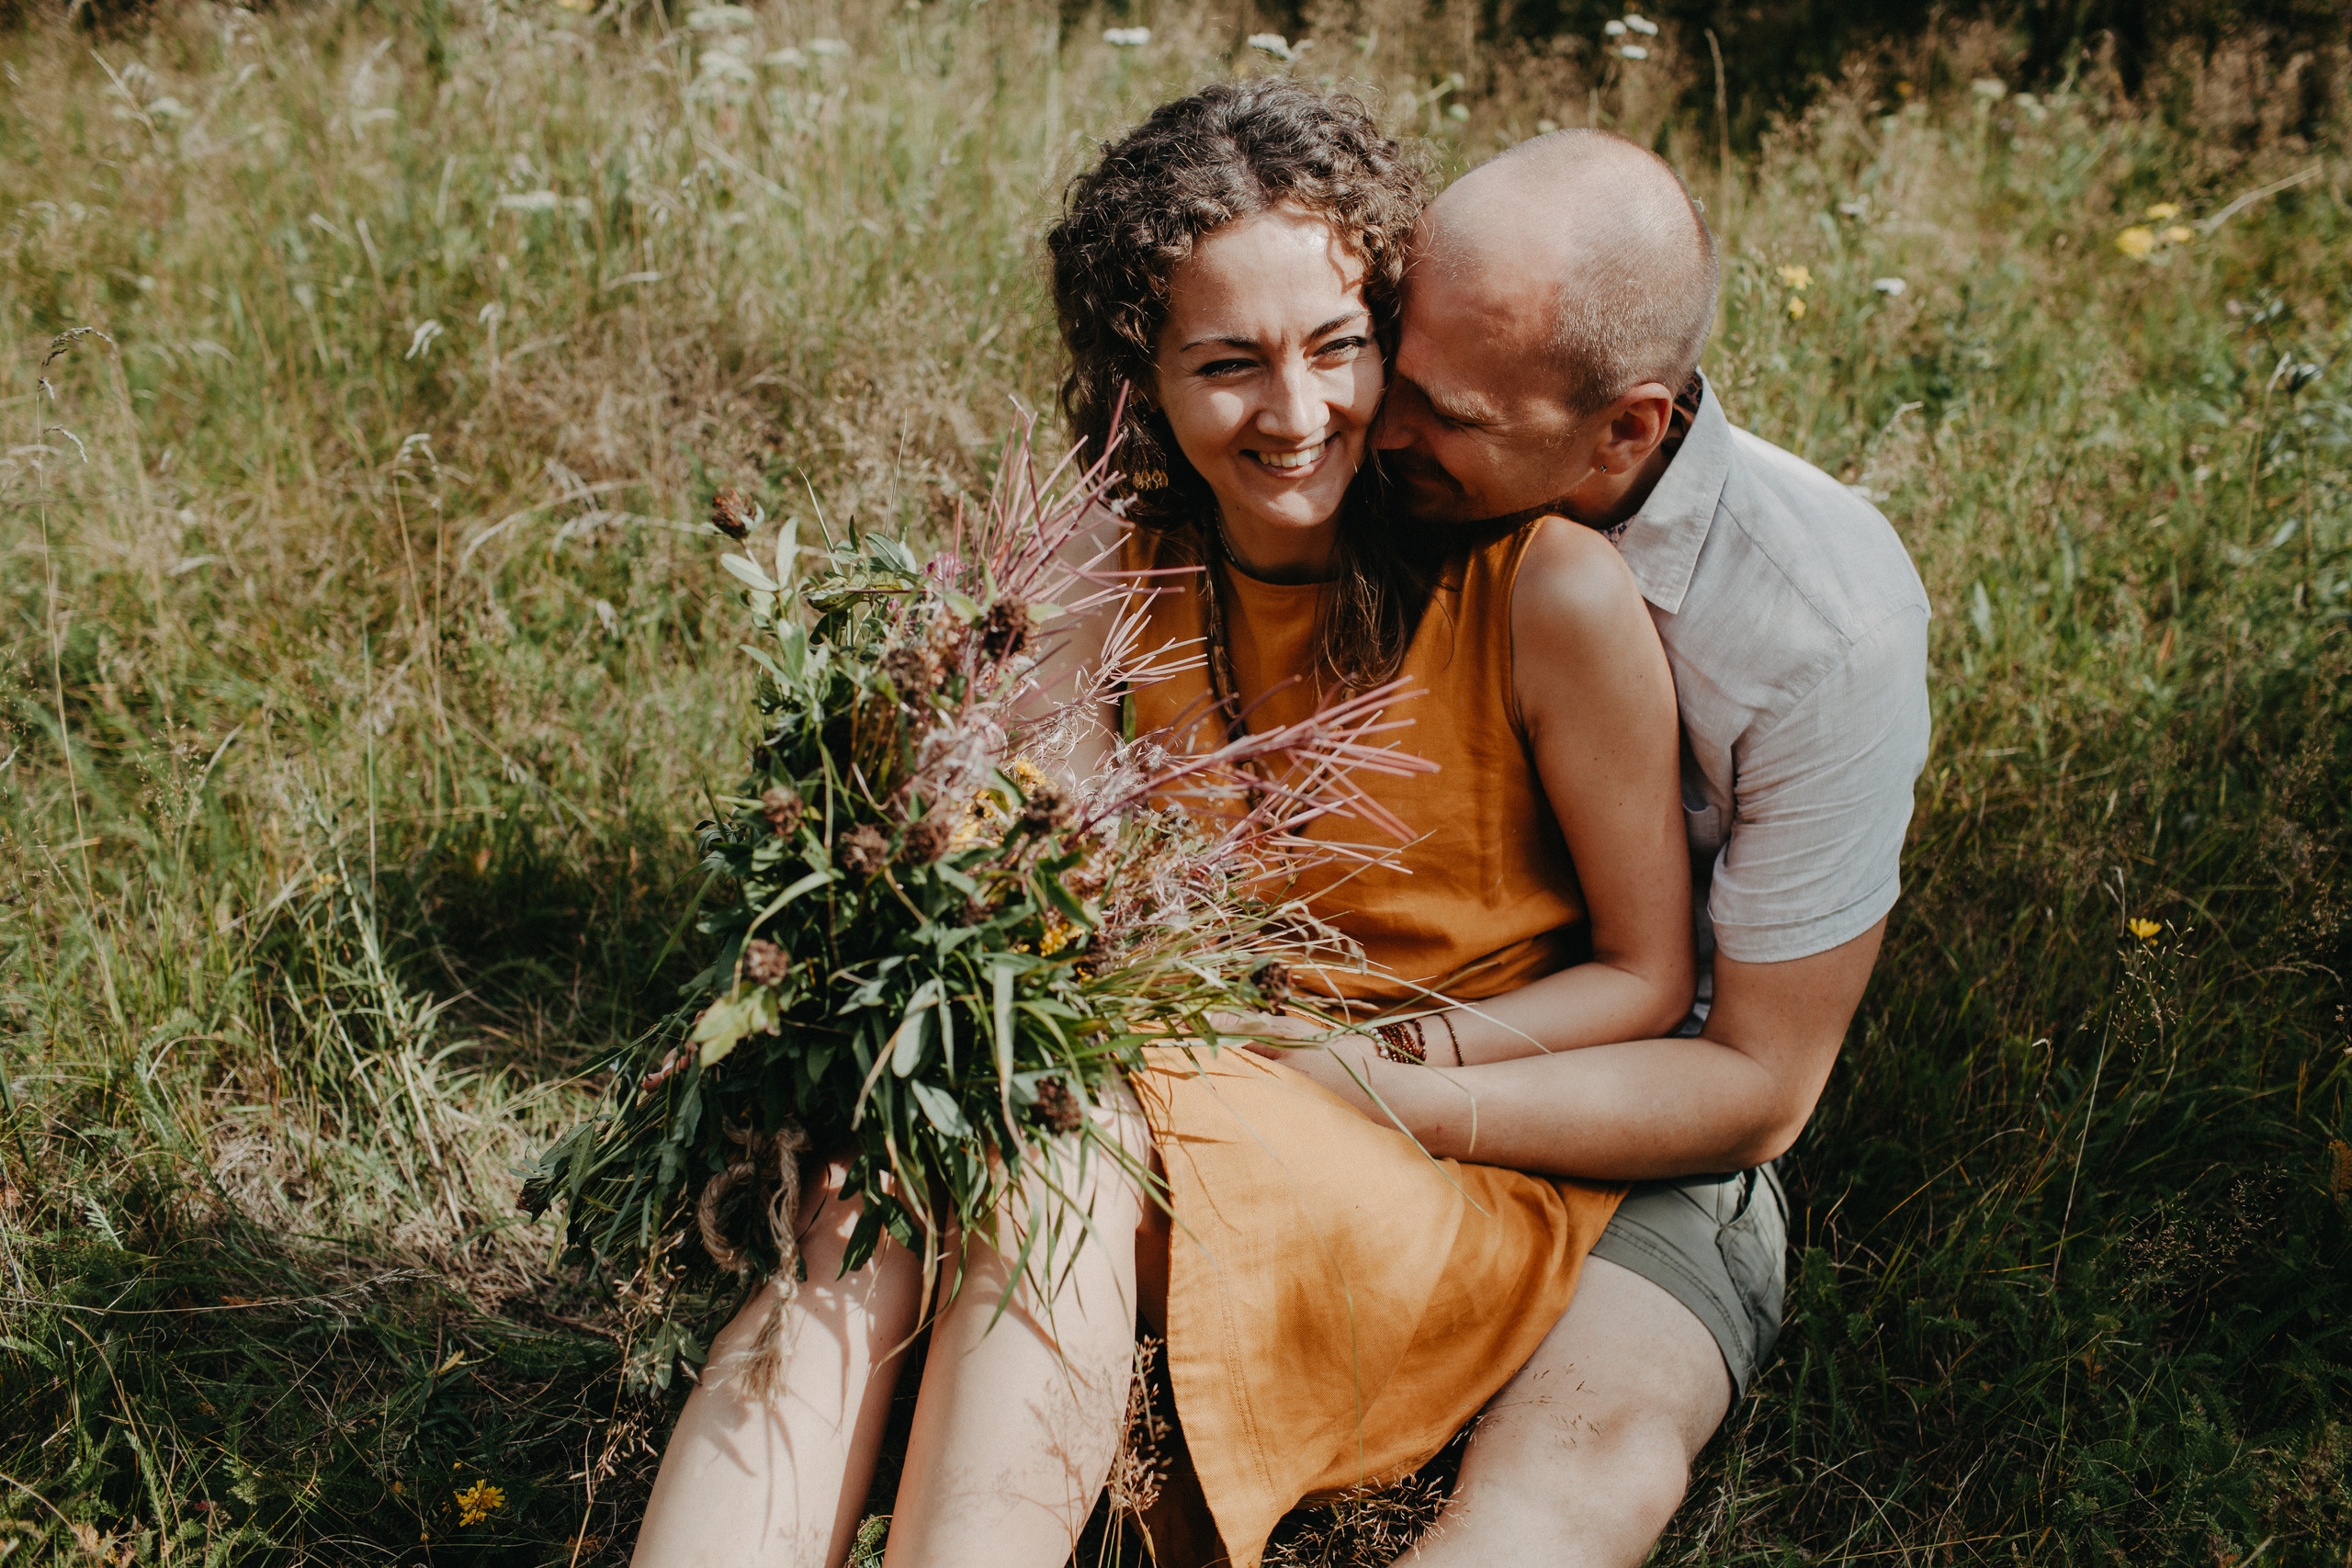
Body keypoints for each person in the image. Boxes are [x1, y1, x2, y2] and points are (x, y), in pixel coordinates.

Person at [628, 80, 1701, 1568]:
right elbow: (1037, 905)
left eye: (1340, 347)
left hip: (1436, 1152)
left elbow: (1649, 979)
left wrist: (1352, 1070)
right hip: (1160, 1099)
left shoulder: (1541, 592)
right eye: (1227, 364)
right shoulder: (1107, 571)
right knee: (879, 1187)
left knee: (1058, 1156)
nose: (1299, 412)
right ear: (1142, 376)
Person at [1253, 130, 1934, 1567]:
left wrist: (1383, 1097)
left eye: (1441, 413)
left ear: (1625, 431)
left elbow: (1755, 1085)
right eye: (1393, 363)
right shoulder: (1358, 475)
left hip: (1640, 1126)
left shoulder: (1821, 628)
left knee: (1578, 1470)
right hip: (1321, 1023)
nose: (1374, 432)